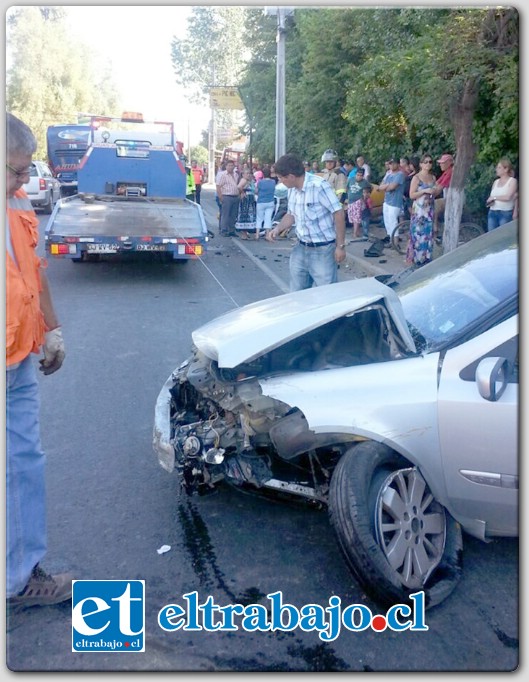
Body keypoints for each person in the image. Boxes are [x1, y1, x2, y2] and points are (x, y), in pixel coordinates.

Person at [6, 112, 72, 608]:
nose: (26, 178)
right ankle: (14, 577)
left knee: (24, 462)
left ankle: (21, 569)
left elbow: (37, 271)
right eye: (15, 169)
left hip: (19, 357)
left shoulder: (19, 205)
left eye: (26, 168)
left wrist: (53, 330)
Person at [266, 154, 346, 291]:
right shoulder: (292, 190)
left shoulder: (319, 186)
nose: (280, 181)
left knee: (326, 295)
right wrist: (277, 228)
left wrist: (340, 246)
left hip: (323, 250)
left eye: (281, 178)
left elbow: (338, 213)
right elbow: (291, 215)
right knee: (297, 295)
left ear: (291, 176)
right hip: (300, 248)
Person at [406, 154, 437, 266]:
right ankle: (415, 259)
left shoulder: (433, 177)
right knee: (418, 234)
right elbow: (411, 194)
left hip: (429, 209)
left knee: (428, 234)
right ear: (421, 164)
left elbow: (435, 193)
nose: (428, 164)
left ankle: (426, 258)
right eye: (426, 162)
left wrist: (433, 191)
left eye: (430, 162)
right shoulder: (416, 178)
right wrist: (425, 191)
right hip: (419, 210)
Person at [378, 157, 406, 242]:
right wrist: (387, 186)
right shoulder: (388, 173)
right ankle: (391, 240)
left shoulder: (400, 174)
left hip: (395, 202)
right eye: (390, 163)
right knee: (387, 222)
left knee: (393, 221)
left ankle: (395, 241)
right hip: (387, 201)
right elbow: (380, 186)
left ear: (398, 164)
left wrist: (386, 186)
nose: (391, 165)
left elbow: (392, 187)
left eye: (393, 163)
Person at [486, 158, 518, 231]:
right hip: (492, 211)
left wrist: (494, 198)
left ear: (506, 169)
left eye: (499, 167)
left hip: (505, 213)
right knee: (491, 235)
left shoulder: (512, 181)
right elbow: (492, 196)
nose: (497, 169)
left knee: (502, 236)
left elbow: (508, 197)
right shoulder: (495, 182)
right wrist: (490, 201)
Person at [216, 160, 240, 236]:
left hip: (235, 196)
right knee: (225, 214)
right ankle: (224, 230)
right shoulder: (223, 175)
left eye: (232, 165)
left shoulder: (236, 175)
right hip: (226, 196)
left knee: (234, 215)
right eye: (229, 165)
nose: (230, 167)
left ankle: (231, 230)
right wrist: (221, 197)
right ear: (226, 166)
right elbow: (218, 186)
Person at [432, 153, 454, 235]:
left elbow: (439, 188)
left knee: (435, 204)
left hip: (452, 199)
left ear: (449, 163)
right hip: (448, 197)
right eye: (440, 162)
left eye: (443, 163)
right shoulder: (446, 172)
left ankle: (435, 228)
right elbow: (436, 183)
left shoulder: (450, 172)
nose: (440, 164)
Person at [346, 167, 370, 238]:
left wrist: (365, 197)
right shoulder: (351, 179)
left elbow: (369, 189)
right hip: (350, 201)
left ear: (363, 176)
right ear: (355, 174)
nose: (359, 177)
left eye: (360, 175)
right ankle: (357, 231)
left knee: (356, 217)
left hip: (358, 201)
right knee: (352, 217)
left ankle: (355, 233)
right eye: (358, 175)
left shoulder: (365, 182)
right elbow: (347, 188)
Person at [254, 166, 276, 239]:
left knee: (259, 218)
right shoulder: (273, 182)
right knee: (268, 218)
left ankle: (257, 234)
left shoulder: (260, 182)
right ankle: (267, 235)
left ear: (263, 174)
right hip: (270, 201)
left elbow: (256, 191)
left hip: (261, 201)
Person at [235, 169, 257, 239]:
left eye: (249, 173)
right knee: (244, 215)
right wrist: (242, 192)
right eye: (247, 173)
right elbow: (239, 187)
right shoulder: (244, 180)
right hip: (245, 200)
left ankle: (246, 232)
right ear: (243, 174)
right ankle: (243, 233)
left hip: (250, 200)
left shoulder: (250, 181)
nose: (248, 175)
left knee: (248, 216)